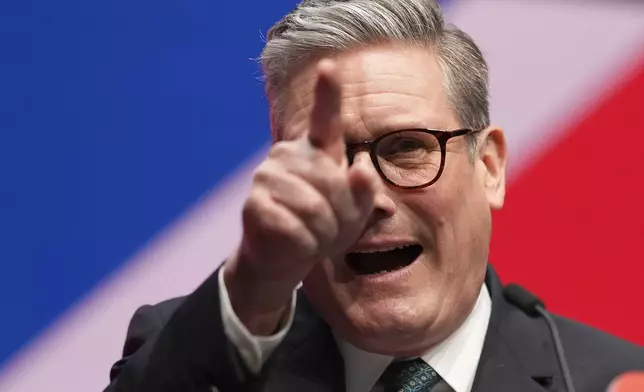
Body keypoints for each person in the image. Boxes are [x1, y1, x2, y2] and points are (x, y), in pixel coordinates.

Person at [104, 1, 644, 391]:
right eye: (326, 157)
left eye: (408, 146)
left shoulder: (606, 380)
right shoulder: (196, 360)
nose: (367, 196)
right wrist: (253, 283)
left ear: (488, 167)